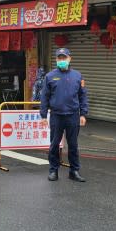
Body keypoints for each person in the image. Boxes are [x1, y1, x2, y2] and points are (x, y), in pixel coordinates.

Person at [40, 48, 89, 183]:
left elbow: (83, 95)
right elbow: (44, 97)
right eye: (59, 58)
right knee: (54, 144)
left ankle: (74, 171)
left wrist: (83, 114)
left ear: (69, 59)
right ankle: (53, 170)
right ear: (56, 60)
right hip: (56, 116)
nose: (62, 60)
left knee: (73, 144)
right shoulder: (50, 76)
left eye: (64, 58)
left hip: (73, 115)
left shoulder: (78, 76)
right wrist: (43, 116)